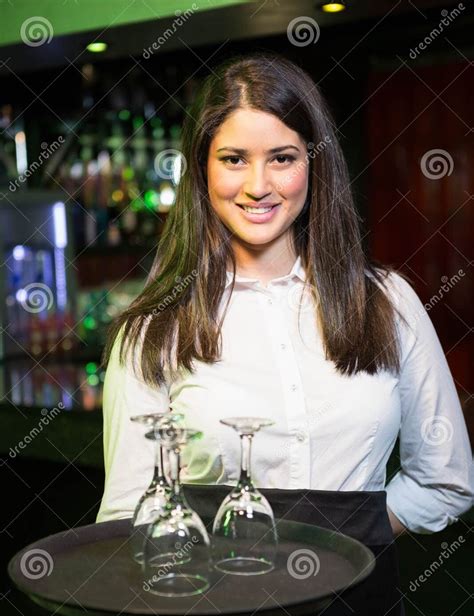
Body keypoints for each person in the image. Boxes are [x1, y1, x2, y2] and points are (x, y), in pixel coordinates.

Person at [96, 53, 473, 534]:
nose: (258, 186)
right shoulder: (152, 328)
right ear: (201, 170)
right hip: (218, 602)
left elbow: (445, 481)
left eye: (283, 158)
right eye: (234, 159)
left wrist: (347, 539)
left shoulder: (388, 301)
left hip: (358, 601)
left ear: (315, 164)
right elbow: (128, 516)